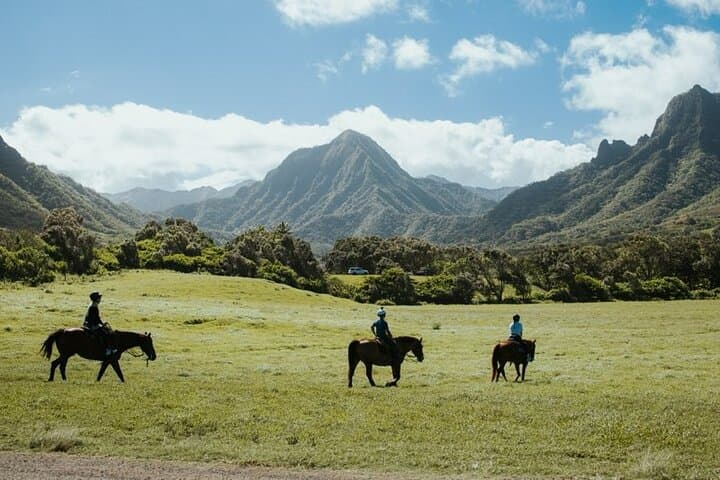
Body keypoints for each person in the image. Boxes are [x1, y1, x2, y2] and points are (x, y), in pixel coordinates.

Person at [82, 292, 116, 357]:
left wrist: (102, 323)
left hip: (89, 324)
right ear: (96, 299)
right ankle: (108, 349)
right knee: (106, 332)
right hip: (91, 325)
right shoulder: (94, 307)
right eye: (99, 298)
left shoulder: (92, 305)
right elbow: (96, 318)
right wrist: (102, 324)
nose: (100, 299)